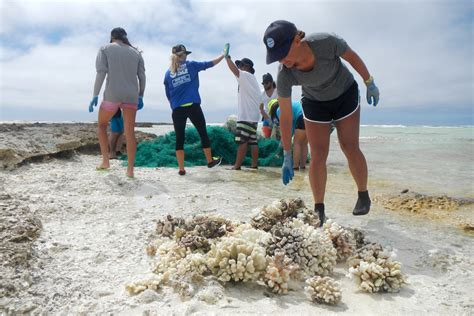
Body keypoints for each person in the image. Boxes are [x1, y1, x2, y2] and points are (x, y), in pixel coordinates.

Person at [263, 20, 380, 225]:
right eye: (277, 56)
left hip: (345, 94)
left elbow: (352, 58)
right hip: (315, 102)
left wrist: (369, 82)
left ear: (297, 39)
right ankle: (319, 210)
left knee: (349, 146)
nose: (282, 60)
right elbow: (286, 115)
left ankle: (363, 195)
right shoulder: (284, 74)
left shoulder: (326, 42)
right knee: (318, 155)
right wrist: (287, 154)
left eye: (284, 52)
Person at [89, 27, 145, 178]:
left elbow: (101, 73)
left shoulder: (105, 48)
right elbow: (142, 76)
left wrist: (95, 94)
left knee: (101, 125)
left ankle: (105, 161)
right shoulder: (136, 53)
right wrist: (141, 96)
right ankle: (130, 171)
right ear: (125, 37)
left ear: (112, 37)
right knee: (129, 132)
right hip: (131, 95)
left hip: (113, 94)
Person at [163, 44, 224, 176]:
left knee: (180, 138)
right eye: (185, 54)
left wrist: (174, 105)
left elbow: (168, 93)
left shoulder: (168, 73)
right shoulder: (191, 65)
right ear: (183, 55)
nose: (186, 56)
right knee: (202, 133)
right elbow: (209, 64)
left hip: (177, 109)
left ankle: (181, 169)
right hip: (193, 106)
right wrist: (223, 55)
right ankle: (209, 161)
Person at [224, 55, 262, 170]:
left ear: (247, 67)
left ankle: (237, 166)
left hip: (246, 115)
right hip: (254, 116)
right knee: (252, 141)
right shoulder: (252, 79)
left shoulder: (246, 75)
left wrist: (227, 58)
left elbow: (234, 70)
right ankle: (254, 165)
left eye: (241, 65)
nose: (239, 67)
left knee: (242, 141)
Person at [268, 99, 308, 170]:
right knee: (304, 143)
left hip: (301, 116)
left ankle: (295, 166)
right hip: (309, 115)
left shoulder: (279, 111)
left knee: (297, 143)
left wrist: (284, 141)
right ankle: (302, 166)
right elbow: (291, 127)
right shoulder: (287, 104)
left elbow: (287, 129)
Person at [260, 73, 277, 138]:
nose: (264, 85)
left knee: (277, 139)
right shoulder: (261, 93)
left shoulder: (277, 91)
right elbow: (261, 109)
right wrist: (269, 120)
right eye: (263, 83)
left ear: (272, 82)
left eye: (266, 83)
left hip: (278, 118)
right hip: (267, 118)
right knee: (265, 139)